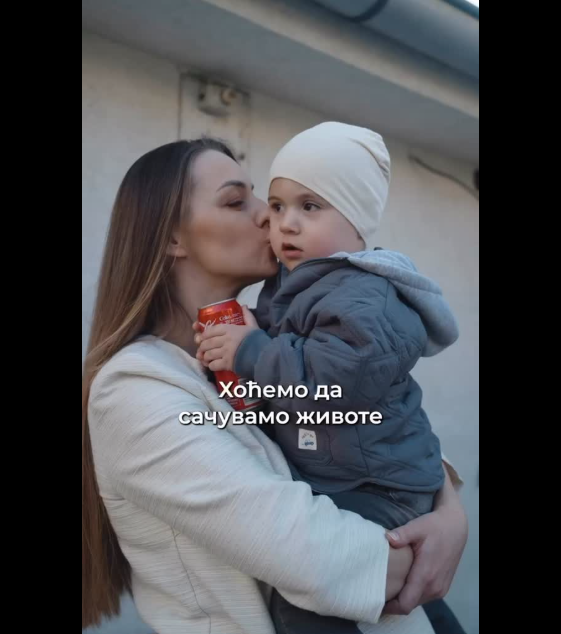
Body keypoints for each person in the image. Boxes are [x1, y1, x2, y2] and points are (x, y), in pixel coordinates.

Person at [82, 137, 468, 634]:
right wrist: (434, 537)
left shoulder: (266, 335)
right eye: (236, 201)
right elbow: (318, 558)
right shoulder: (133, 392)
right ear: (172, 238)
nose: (270, 215)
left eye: (263, 197)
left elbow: (365, 417)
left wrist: (447, 510)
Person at [194, 122, 463, 633]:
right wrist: (237, 364)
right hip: (347, 475)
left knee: (309, 602)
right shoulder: (293, 288)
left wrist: (252, 350)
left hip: (380, 487)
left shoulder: (364, 298)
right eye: (278, 206)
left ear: (357, 220)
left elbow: (330, 390)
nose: (285, 224)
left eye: (310, 206)